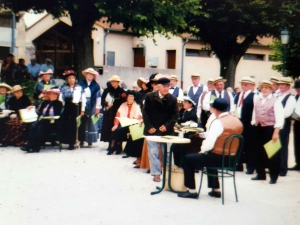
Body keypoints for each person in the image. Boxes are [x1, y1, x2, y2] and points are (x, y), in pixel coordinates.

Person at [178, 98, 243, 199]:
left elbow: (209, 143)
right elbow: (222, 136)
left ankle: (192, 191)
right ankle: (215, 189)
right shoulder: (236, 121)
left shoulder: (218, 122)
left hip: (218, 159)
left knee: (188, 159)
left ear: (215, 109)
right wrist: (203, 135)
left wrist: (202, 150)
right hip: (232, 159)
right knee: (209, 155)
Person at [143, 77, 178, 182]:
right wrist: (149, 126)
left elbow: (175, 115)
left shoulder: (173, 99)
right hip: (152, 129)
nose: (166, 88)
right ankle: (156, 173)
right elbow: (145, 113)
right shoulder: (149, 96)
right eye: (164, 86)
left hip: (166, 129)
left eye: (168, 86)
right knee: (153, 151)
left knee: (167, 152)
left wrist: (167, 126)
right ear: (158, 86)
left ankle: (168, 172)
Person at [251, 80, 284, 184]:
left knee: (272, 153)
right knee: (258, 152)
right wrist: (254, 123)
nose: (264, 89)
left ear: (271, 89)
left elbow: (279, 117)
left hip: (270, 128)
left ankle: (274, 176)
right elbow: (254, 113)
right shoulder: (258, 99)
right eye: (262, 87)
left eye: (267, 87)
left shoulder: (276, 101)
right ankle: (261, 174)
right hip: (258, 127)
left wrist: (276, 132)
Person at [21, 88, 63, 153]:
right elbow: (40, 112)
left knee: (38, 127)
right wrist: (32, 107)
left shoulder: (59, 103)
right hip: (43, 121)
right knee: (32, 125)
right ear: (49, 95)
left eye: (56, 94)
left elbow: (58, 114)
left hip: (53, 122)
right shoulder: (45, 102)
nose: (55, 95)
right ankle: (31, 146)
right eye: (53, 94)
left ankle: (34, 147)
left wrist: (47, 118)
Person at [234, 77, 257, 173]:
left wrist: (254, 121)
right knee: (238, 144)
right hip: (239, 121)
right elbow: (235, 107)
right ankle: (238, 165)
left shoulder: (254, 96)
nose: (243, 86)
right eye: (242, 84)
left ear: (251, 86)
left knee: (249, 145)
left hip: (248, 123)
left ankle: (250, 167)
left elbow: (256, 110)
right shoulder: (239, 94)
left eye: (246, 85)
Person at [108, 90, 143, 155]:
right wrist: (115, 125)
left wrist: (137, 117)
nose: (131, 98)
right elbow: (117, 116)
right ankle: (112, 147)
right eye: (129, 97)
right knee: (117, 129)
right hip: (123, 123)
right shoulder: (122, 105)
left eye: (132, 97)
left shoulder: (137, 105)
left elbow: (139, 115)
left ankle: (120, 147)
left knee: (125, 130)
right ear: (126, 98)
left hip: (133, 124)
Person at [59, 70, 86, 150]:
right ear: (67, 80)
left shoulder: (79, 88)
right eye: (69, 78)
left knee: (75, 125)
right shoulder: (64, 88)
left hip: (76, 107)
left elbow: (83, 99)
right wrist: (63, 104)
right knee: (67, 125)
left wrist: (82, 110)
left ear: (75, 79)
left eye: (72, 78)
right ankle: (68, 141)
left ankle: (73, 142)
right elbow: (61, 98)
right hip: (67, 107)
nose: (71, 80)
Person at [276, 77, 296, 176]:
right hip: (275, 124)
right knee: (274, 146)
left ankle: (282, 169)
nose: (280, 86)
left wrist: (275, 114)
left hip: (284, 125)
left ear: (288, 86)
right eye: (279, 84)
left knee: (282, 146)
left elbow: (287, 113)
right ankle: (274, 166)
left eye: (283, 84)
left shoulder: (290, 98)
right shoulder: (277, 95)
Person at [101, 75, 126, 150]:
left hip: (118, 112)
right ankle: (110, 144)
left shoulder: (122, 91)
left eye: (115, 81)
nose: (113, 83)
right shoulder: (107, 90)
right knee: (109, 127)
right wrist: (106, 104)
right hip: (109, 112)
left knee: (117, 127)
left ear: (118, 82)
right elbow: (102, 100)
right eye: (112, 81)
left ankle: (118, 144)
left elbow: (124, 101)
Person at [78, 68, 101, 148]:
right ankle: (81, 140)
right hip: (83, 103)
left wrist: (97, 108)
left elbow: (98, 97)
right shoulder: (81, 84)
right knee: (82, 121)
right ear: (85, 75)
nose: (90, 76)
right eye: (88, 74)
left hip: (93, 103)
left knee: (91, 122)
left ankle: (90, 141)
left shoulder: (96, 85)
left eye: (91, 75)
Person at [289, 79, 300, 171]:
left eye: (299, 89)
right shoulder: (295, 97)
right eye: (296, 89)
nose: (297, 91)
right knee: (297, 143)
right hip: (297, 122)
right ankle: (298, 163)